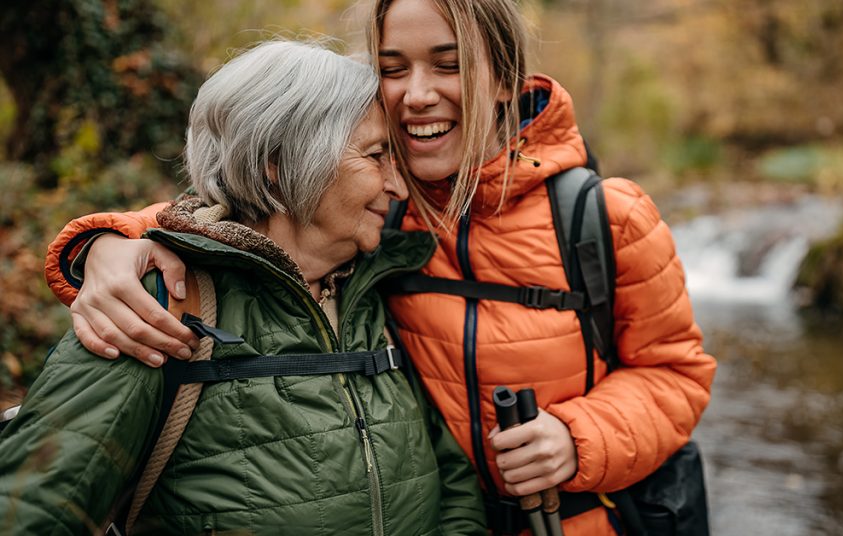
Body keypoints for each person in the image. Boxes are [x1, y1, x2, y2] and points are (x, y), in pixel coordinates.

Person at [42, 0, 718, 533]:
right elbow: (244, 206)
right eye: (393, 68)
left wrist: (580, 437)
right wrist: (109, 241)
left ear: (507, 77)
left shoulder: (605, 217)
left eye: (447, 64)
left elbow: (677, 375)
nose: (416, 94)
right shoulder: (375, 209)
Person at [0, 40, 485, 535]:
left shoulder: (372, 301)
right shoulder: (158, 305)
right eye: (377, 155)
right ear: (279, 164)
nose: (398, 187)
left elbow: (454, 490)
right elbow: (29, 510)